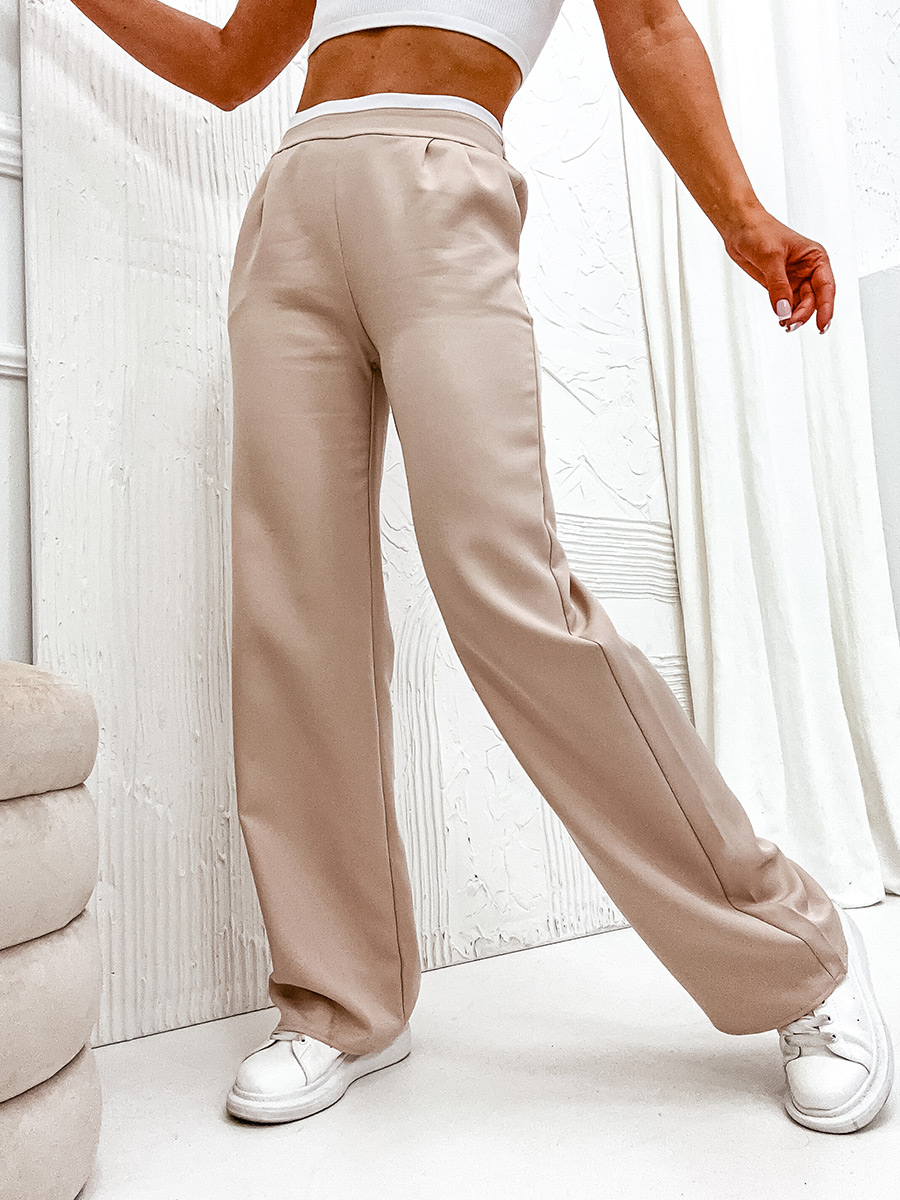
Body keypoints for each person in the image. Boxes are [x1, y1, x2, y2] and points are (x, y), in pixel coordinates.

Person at [69, 0, 893, 1135]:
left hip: (442, 179)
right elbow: (229, 64)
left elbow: (651, 30)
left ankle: (797, 958)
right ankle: (343, 1001)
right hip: (295, 199)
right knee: (294, 616)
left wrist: (741, 218)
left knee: (508, 590)